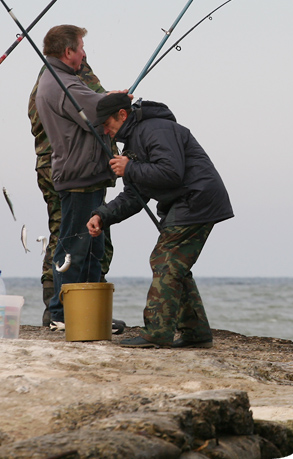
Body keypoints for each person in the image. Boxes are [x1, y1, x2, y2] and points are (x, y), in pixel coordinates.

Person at [87, 93, 234, 348]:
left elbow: (171, 172)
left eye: (106, 124)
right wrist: (102, 215)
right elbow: (135, 194)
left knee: (164, 259)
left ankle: (156, 333)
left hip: (197, 199)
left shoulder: (156, 129)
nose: (105, 130)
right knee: (175, 265)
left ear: (122, 115)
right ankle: (196, 333)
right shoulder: (132, 140)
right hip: (188, 201)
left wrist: (130, 168)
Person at [35, 25, 119, 331]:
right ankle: (62, 312)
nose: (84, 53)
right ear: (68, 51)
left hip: (86, 175)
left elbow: (92, 102)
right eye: (81, 47)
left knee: (92, 247)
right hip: (79, 176)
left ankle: (91, 312)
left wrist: (109, 98)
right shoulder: (62, 84)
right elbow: (96, 109)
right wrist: (119, 100)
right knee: (74, 247)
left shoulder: (59, 80)